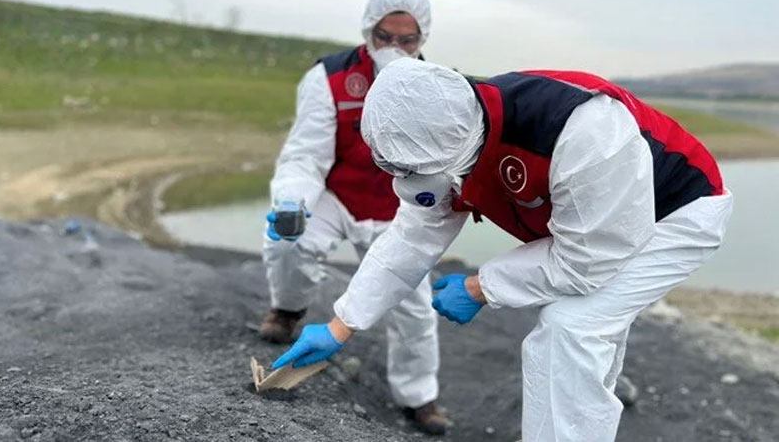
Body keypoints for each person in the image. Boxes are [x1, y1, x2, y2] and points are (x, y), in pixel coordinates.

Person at [272, 58, 733, 441]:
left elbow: (586, 262)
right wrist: (341, 325)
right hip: (598, 230)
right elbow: (412, 236)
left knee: (571, 326)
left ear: (459, 150)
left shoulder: (580, 131)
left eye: (416, 173)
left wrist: (480, 286)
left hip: (675, 213)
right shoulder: (441, 144)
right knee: (584, 330)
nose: (411, 186)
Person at [259, 0, 450, 435]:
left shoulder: (440, 88)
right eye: (385, 37)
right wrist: (293, 199)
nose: (396, 49)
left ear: (423, 37)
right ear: (369, 30)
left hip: (396, 209)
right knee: (291, 239)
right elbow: (306, 154)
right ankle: (287, 310)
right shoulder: (330, 77)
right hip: (337, 194)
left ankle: (419, 397)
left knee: (415, 303)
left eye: (408, 40)